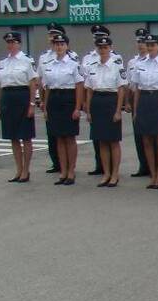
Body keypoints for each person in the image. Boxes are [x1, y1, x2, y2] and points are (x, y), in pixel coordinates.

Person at [39, 34, 84, 186]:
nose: (59, 46)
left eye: (62, 44)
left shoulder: (73, 64)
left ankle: (71, 171)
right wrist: (45, 106)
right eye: (56, 44)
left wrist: (78, 107)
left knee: (69, 138)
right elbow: (47, 87)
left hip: (68, 99)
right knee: (58, 137)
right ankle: (63, 171)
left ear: (67, 46)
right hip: (54, 100)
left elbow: (79, 87)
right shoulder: (49, 64)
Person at [132, 34, 158, 190]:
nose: (150, 48)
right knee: (147, 140)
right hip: (144, 100)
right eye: (148, 45)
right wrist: (136, 109)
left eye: (153, 45)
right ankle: (152, 174)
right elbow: (136, 89)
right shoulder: (140, 64)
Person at [0, 31, 38, 183]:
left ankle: (26, 170)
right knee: (12, 137)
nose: (10, 45)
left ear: (19, 44)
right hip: (8, 99)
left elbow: (33, 84)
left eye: (13, 42)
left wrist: (32, 104)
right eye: (8, 43)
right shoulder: (3, 63)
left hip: (22, 97)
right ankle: (18, 169)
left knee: (25, 136)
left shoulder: (27, 61)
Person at [84, 35, 126, 188]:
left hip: (111, 101)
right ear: (97, 49)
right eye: (100, 48)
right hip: (97, 102)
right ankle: (106, 173)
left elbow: (121, 89)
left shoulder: (117, 65)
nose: (103, 50)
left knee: (113, 141)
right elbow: (88, 90)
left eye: (105, 47)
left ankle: (115, 174)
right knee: (101, 141)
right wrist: (88, 110)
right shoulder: (92, 65)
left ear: (110, 48)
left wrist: (118, 110)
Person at [37, 22, 66, 172]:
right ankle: (56, 162)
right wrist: (42, 100)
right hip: (50, 97)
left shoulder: (70, 56)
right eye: (50, 35)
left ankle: (66, 164)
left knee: (65, 134)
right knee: (51, 132)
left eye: (55, 35)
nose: (52, 38)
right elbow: (41, 80)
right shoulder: (44, 57)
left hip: (64, 97)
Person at [126, 28, 151, 178]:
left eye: (143, 42)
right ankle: (143, 165)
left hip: (149, 98)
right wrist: (127, 103)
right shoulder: (132, 62)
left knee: (151, 135)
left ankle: (152, 166)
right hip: (136, 99)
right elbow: (129, 85)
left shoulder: (154, 60)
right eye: (139, 42)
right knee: (138, 135)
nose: (141, 45)